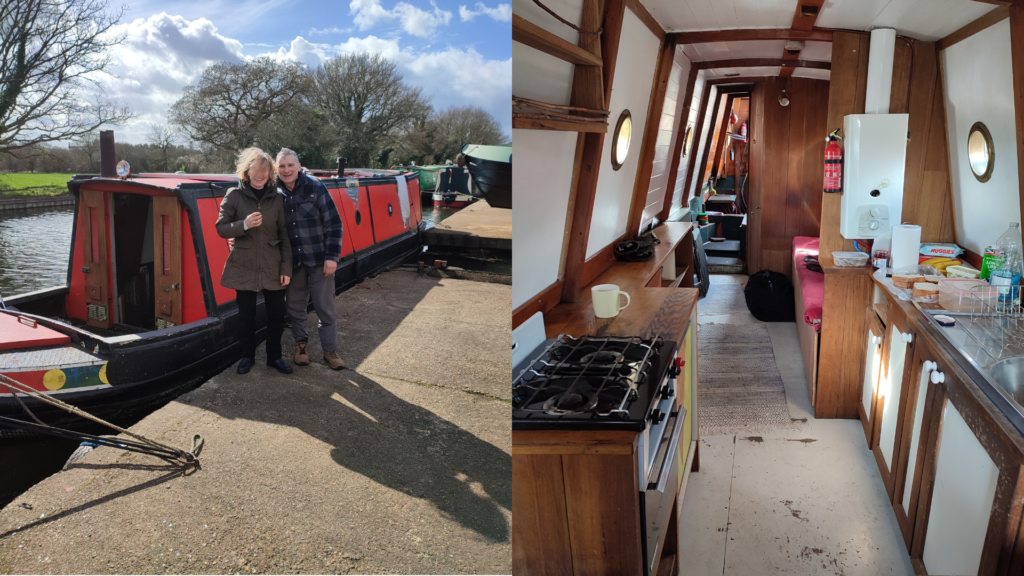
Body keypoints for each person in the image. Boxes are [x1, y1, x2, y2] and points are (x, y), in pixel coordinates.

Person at [216, 148, 294, 375]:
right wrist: (244, 225)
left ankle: (274, 357)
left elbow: (285, 236)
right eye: (256, 170)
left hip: (273, 265)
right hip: (244, 265)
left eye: (265, 171)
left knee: (277, 316)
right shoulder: (234, 195)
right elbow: (221, 228)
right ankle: (247, 356)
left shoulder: (278, 198)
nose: (260, 175)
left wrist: (286, 268)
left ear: (270, 173)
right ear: (246, 171)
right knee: (245, 316)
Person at [276, 148, 345, 370]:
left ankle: (330, 350)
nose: (286, 170)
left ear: (298, 165)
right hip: (292, 262)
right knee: (295, 307)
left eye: (290, 165)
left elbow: (333, 223)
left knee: (324, 307)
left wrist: (332, 257)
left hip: (319, 259)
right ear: (277, 169)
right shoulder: (274, 192)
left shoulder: (316, 186)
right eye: (282, 166)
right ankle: (301, 344)